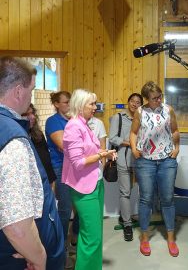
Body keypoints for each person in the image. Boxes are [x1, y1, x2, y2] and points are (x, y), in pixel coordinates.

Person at [0, 56, 64, 269]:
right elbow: (16, 224)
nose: (31, 96)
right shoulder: (12, 137)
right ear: (18, 91)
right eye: (31, 89)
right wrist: (38, 258)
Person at [62, 89, 117, 270]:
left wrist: (104, 154)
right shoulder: (73, 126)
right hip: (84, 188)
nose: (95, 107)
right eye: (92, 104)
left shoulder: (84, 124)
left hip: (95, 183)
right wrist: (104, 153)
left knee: (95, 235)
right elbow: (78, 163)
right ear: (80, 105)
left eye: (95, 103)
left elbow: (91, 152)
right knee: (91, 238)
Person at [130, 81, 180, 257]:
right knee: (146, 200)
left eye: (160, 97)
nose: (158, 100)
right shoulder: (140, 112)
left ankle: (171, 239)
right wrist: (134, 150)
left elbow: (174, 131)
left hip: (167, 161)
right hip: (145, 162)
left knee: (167, 199)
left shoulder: (169, 110)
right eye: (154, 98)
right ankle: (144, 238)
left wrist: (176, 149)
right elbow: (134, 132)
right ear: (146, 99)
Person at [45, 90, 75, 268]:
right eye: (65, 102)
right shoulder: (53, 121)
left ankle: (74, 239)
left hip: (77, 168)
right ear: (56, 104)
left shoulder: (73, 120)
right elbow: (64, 146)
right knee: (64, 210)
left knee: (79, 206)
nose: (69, 105)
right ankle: (61, 250)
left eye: (70, 102)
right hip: (62, 167)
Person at [109, 93, 143, 241]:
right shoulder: (119, 118)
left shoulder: (142, 119)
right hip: (123, 160)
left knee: (138, 191)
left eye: (138, 102)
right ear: (128, 102)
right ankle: (127, 225)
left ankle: (127, 217)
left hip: (139, 161)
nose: (135, 104)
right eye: (132, 101)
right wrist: (129, 142)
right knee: (125, 193)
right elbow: (112, 138)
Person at [22, 103, 57, 187]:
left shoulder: (38, 135)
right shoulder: (16, 139)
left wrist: (51, 181)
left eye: (32, 113)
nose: (33, 117)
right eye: (27, 114)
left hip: (46, 183)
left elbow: (46, 159)